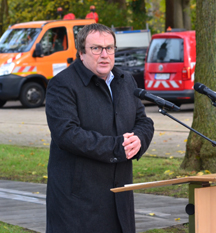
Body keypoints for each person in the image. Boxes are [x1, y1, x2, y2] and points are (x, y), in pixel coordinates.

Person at [45, 23, 154, 233]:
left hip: (120, 195)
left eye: (109, 48)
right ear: (81, 53)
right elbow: (66, 134)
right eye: (96, 48)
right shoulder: (62, 84)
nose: (104, 55)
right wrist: (117, 146)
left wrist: (139, 140)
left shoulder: (126, 81)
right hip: (78, 201)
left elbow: (143, 121)